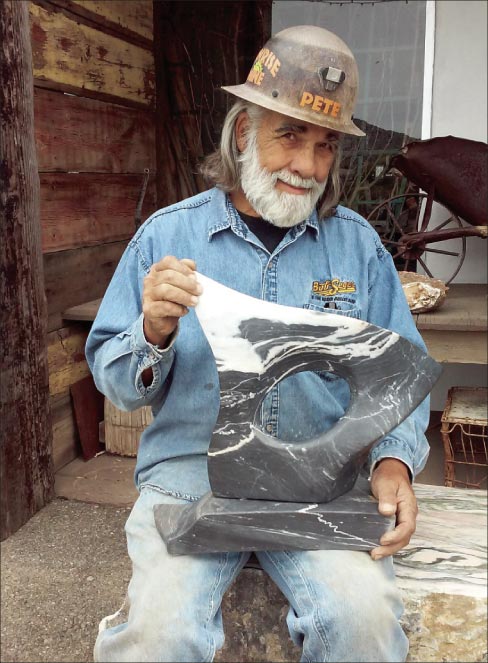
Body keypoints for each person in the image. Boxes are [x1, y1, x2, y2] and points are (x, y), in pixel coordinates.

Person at [86, 25, 430, 663]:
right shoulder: (168, 236)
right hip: (190, 479)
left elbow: (399, 380)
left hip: (320, 482)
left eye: (325, 146)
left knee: (364, 622)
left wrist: (394, 463)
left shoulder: (357, 246)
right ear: (243, 131)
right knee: (158, 637)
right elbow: (111, 376)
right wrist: (153, 331)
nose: (307, 166)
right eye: (289, 136)